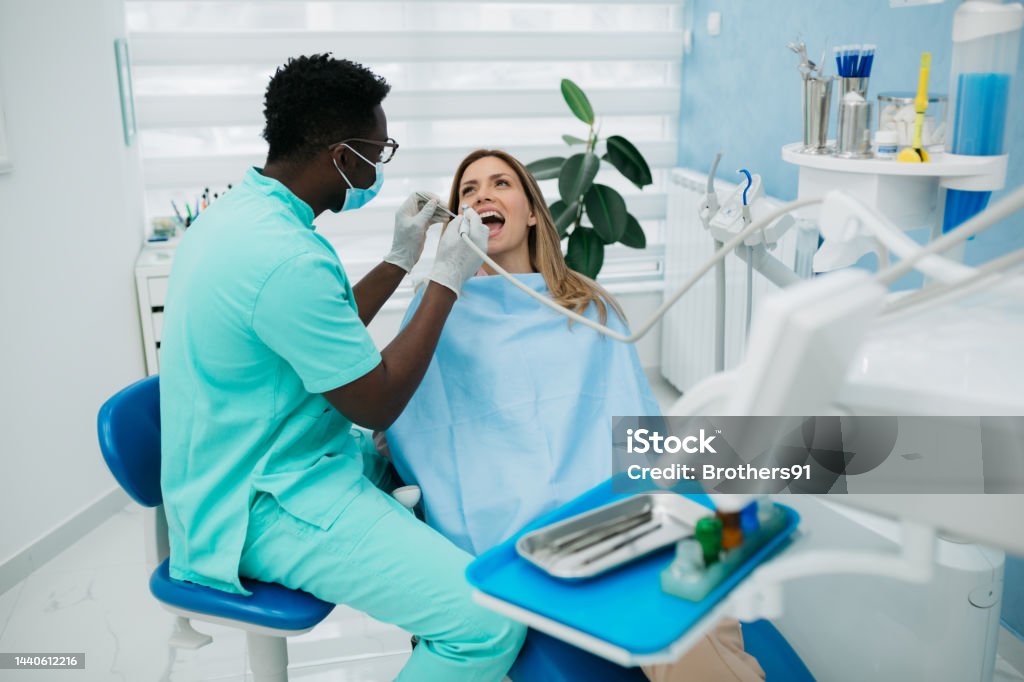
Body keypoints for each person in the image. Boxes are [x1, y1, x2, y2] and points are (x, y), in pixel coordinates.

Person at [158, 55, 525, 682]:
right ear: (340, 155)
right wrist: (446, 280)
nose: (379, 169)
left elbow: (312, 327)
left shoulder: (244, 215)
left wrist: (401, 257)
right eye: (377, 154)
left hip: (246, 454)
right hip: (260, 502)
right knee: (487, 623)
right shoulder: (287, 256)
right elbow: (376, 403)